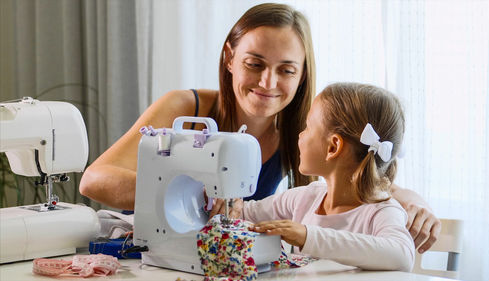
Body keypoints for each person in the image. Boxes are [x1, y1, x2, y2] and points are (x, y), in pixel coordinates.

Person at [79, 3, 439, 254]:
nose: (268, 82)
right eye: (254, 63)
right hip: (147, 249)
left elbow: (354, 170)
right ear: (230, 58)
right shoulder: (185, 107)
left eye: (286, 70)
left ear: (302, 75)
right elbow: (94, 180)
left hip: (216, 258)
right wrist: (192, 195)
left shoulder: (302, 128)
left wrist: (414, 201)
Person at [210, 82, 415, 271]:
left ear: (333, 147)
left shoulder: (381, 212)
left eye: (308, 127)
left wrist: (307, 235)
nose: (300, 134)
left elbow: (402, 256)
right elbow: (243, 214)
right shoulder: (305, 198)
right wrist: (224, 204)